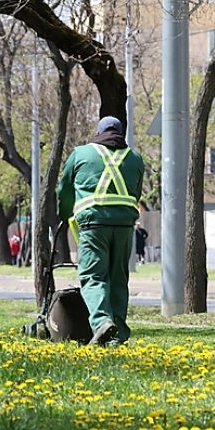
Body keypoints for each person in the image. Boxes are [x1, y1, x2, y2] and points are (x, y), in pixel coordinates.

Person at [57, 116, 145, 347]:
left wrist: (65, 214)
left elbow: (65, 190)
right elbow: (136, 193)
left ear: (99, 131)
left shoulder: (81, 154)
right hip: (125, 226)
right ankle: (118, 337)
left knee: (93, 276)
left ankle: (101, 321)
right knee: (118, 279)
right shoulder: (135, 158)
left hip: (93, 225)